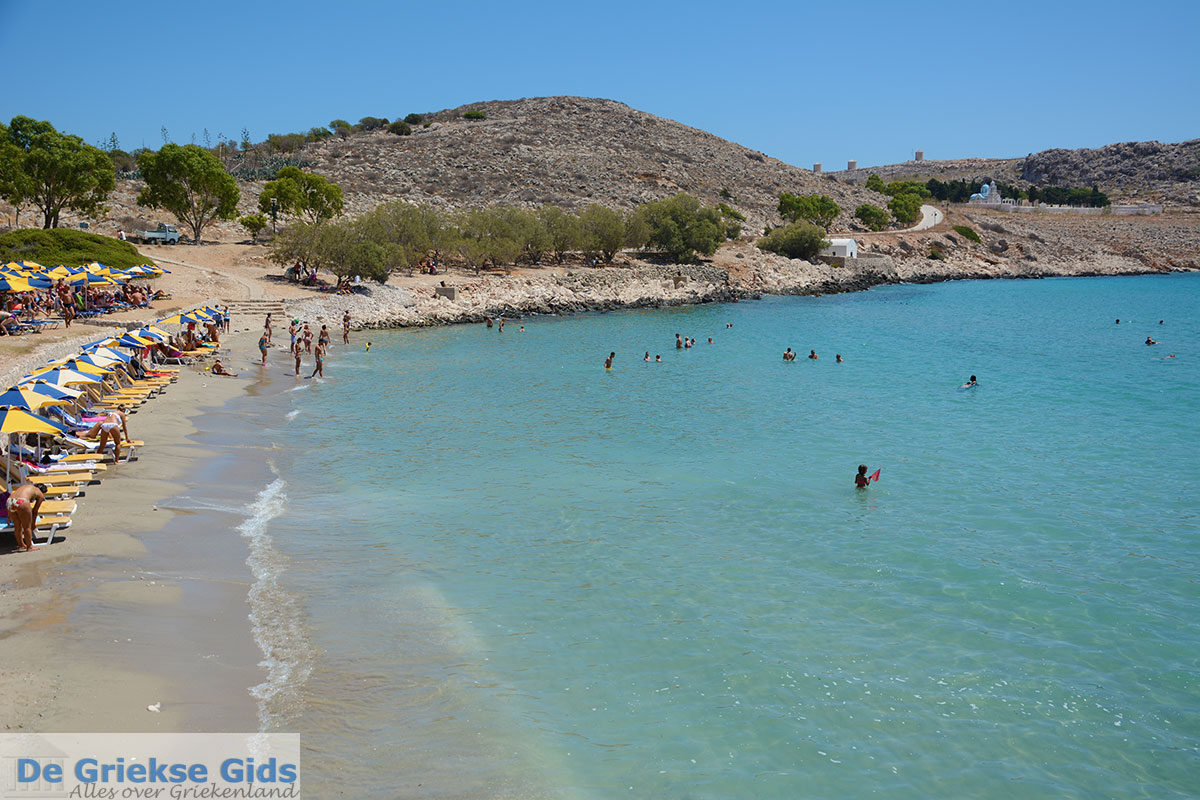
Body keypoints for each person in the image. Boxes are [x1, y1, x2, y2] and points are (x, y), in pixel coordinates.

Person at [6, 482, 45, 551]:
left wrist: (9, 515)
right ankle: (29, 547)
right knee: (27, 527)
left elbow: (14, 498)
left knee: (17, 526)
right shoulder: (40, 494)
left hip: (10, 501)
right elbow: (35, 511)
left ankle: (21, 545)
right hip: (21, 501)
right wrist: (33, 524)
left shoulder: (26, 487)